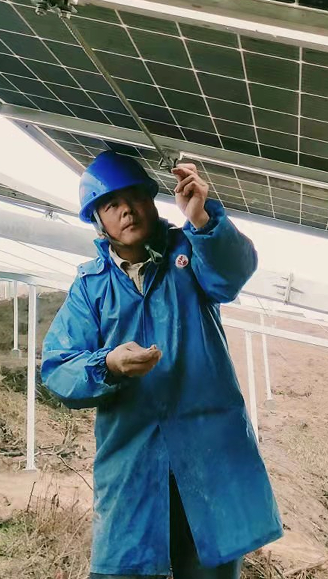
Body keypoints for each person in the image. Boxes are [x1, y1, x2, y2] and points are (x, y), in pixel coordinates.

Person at [42, 151, 282, 579]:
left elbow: (232, 275)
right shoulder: (90, 287)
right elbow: (58, 367)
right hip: (132, 460)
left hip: (209, 453)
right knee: (125, 567)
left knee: (211, 568)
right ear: (98, 220)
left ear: (152, 201)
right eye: (111, 204)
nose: (127, 210)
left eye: (134, 196)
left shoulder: (191, 252)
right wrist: (108, 364)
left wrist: (202, 219)